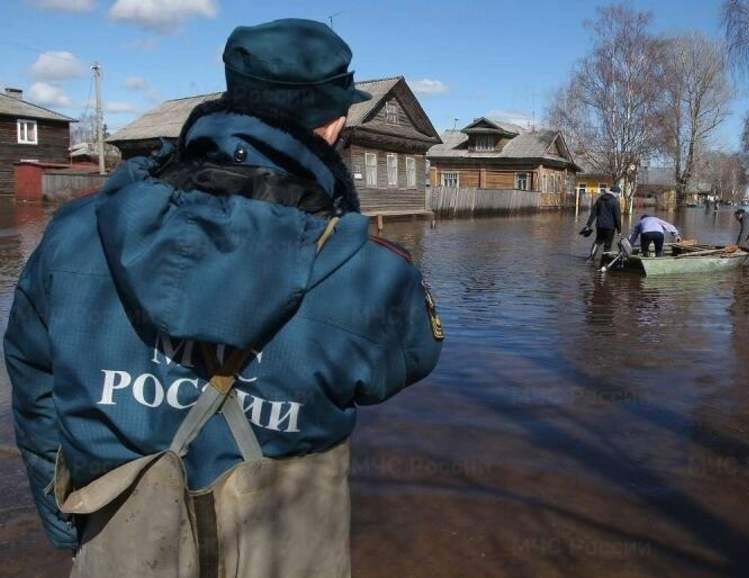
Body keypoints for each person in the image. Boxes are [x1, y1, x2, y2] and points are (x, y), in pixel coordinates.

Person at [4, 19, 443, 577]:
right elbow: (404, 363)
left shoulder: (76, 233)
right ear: (335, 125)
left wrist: (65, 522)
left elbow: (36, 393)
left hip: (122, 547)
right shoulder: (371, 273)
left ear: (232, 93)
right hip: (286, 549)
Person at [580, 185, 622, 258]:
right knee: (608, 244)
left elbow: (593, 213)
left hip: (599, 225)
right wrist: (619, 230)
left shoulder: (600, 199)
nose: (618, 195)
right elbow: (617, 217)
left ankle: (591, 257)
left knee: (598, 241)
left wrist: (588, 225)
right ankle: (605, 260)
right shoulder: (615, 202)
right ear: (615, 193)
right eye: (618, 194)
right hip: (610, 227)